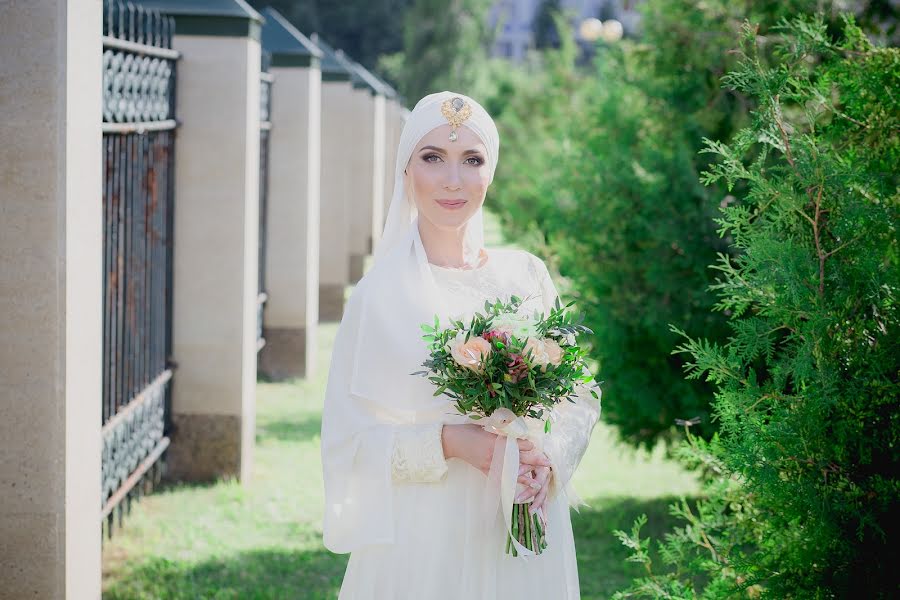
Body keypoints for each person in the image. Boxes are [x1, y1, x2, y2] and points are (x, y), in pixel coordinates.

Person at [320, 91, 601, 599]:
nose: (453, 180)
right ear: (407, 171)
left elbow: (580, 394)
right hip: (424, 540)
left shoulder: (526, 275)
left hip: (523, 531)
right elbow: (351, 446)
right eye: (433, 158)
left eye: (472, 160)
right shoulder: (378, 295)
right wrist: (453, 443)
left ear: (490, 172)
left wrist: (548, 459)